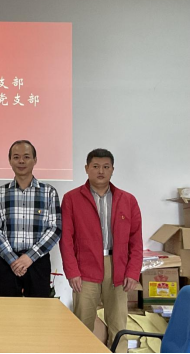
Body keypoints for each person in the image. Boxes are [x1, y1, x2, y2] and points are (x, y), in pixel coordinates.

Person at [60, 149, 143, 353]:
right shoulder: (71, 199)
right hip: (85, 268)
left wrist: (133, 272)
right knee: (83, 322)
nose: (101, 171)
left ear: (112, 170)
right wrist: (72, 272)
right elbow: (66, 240)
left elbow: (136, 241)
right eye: (95, 166)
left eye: (106, 167)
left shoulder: (128, 200)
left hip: (118, 267)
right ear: (86, 168)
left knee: (118, 324)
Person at [0, 140, 62, 298]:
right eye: (16, 157)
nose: (21, 161)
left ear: (35, 160)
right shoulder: (0, 193)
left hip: (38, 261)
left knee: (38, 310)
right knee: (8, 309)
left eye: (26, 157)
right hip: (7, 262)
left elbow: (55, 228)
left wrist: (30, 257)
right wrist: (12, 259)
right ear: (10, 160)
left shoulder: (49, 192)